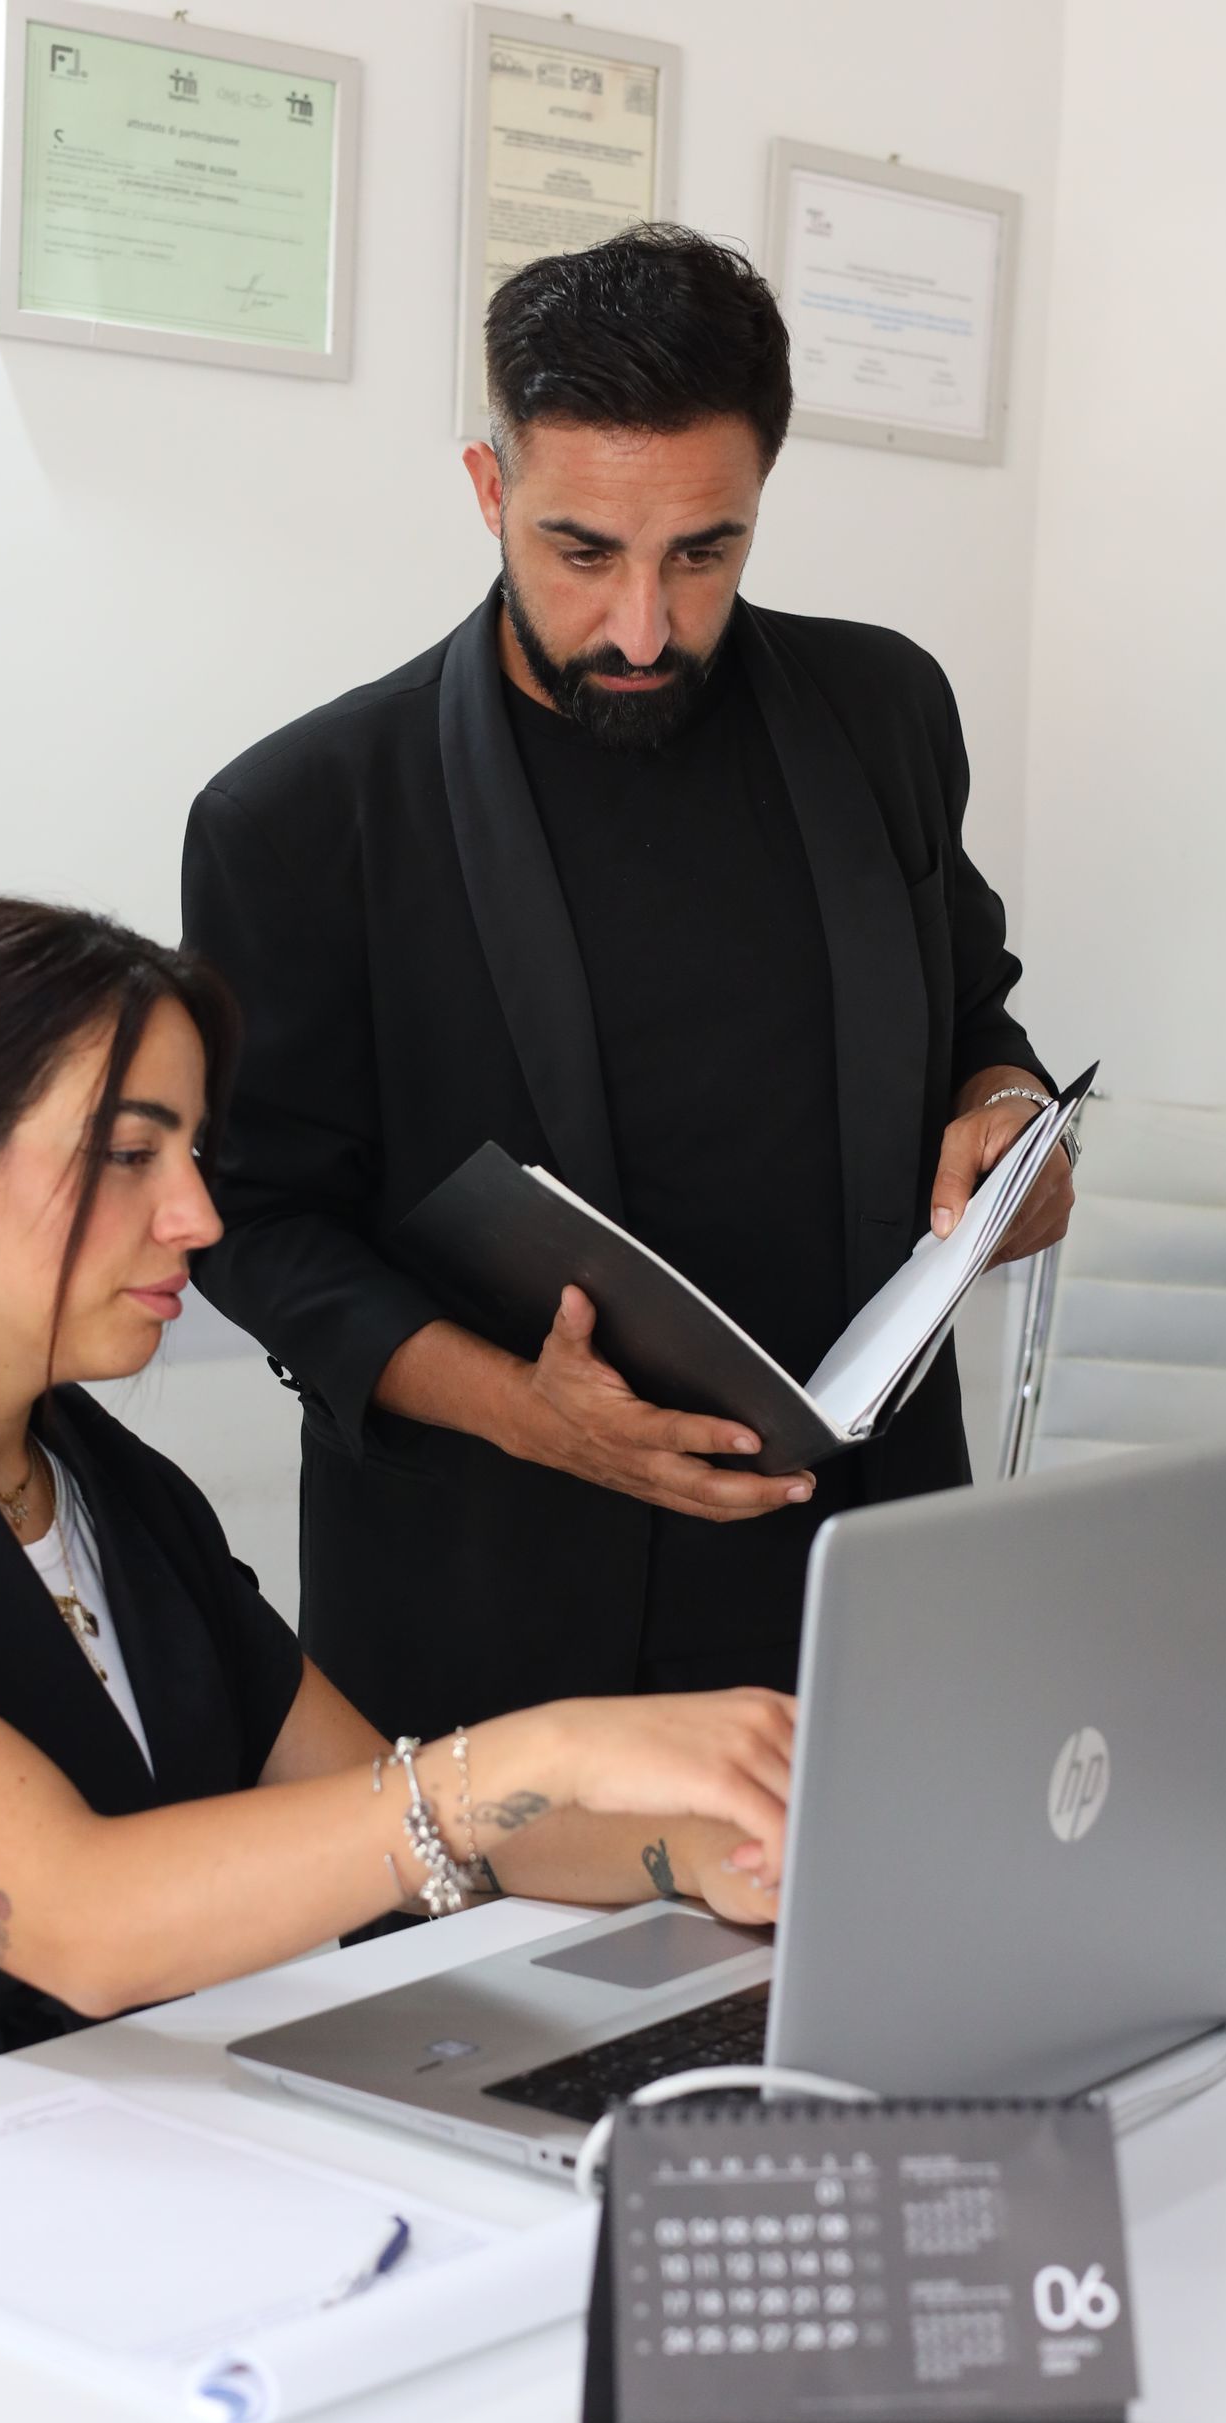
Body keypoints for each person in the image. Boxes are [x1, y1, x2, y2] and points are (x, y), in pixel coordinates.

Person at [0, 897, 795, 2194]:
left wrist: (708, 1854)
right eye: (132, 1153)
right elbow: (80, 1924)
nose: (196, 1213)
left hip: (99, 2147)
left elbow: (391, 1807)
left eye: (193, 1153)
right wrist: (534, 1750)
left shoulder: (94, 1476)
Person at [182, 226, 1074, 1740]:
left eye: (703, 553)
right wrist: (525, 1407)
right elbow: (255, 1227)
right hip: (507, 1589)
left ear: (760, 500)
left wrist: (1011, 1122)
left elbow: (970, 1012)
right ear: (490, 491)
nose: (643, 626)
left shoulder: (884, 710)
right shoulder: (299, 815)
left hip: (865, 1556)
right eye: (582, 553)